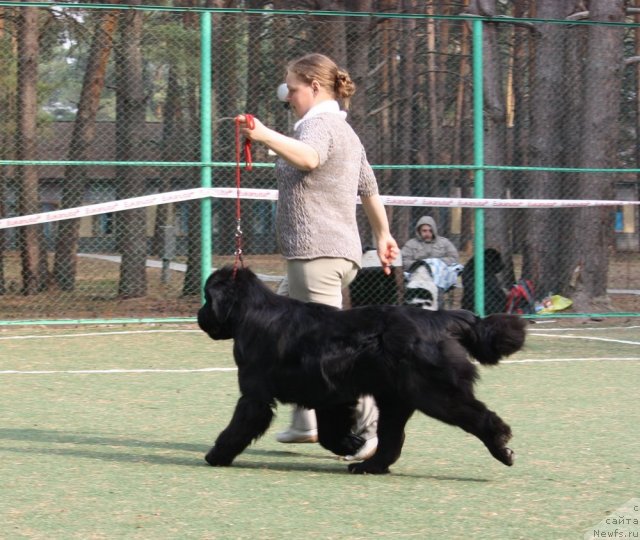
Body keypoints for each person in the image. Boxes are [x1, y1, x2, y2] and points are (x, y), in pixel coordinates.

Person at [237, 53, 399, 461]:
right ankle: (306, 422)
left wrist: (264, 135)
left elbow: (309, 158)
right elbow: (369, 188)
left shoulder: (319, 126)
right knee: (284, 333)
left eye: (292, 89)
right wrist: (382, 235)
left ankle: (369, 429)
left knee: (334, 350)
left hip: (317, 254)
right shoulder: (344, 130)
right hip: (336, 253)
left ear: (313, 86)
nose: (288, 96)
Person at [401, 216, 462, 308]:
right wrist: (421, 264)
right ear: (419, 231)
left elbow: (454, 257)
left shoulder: (444, 242)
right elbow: (404, 260)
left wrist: (435, 263)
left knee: (439, 286)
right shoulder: (411, 244)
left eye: (430, 230)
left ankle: (438, 309)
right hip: (418, 275)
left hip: (438, 276)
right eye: (424, 231)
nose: (427, 233)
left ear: (434, 230)